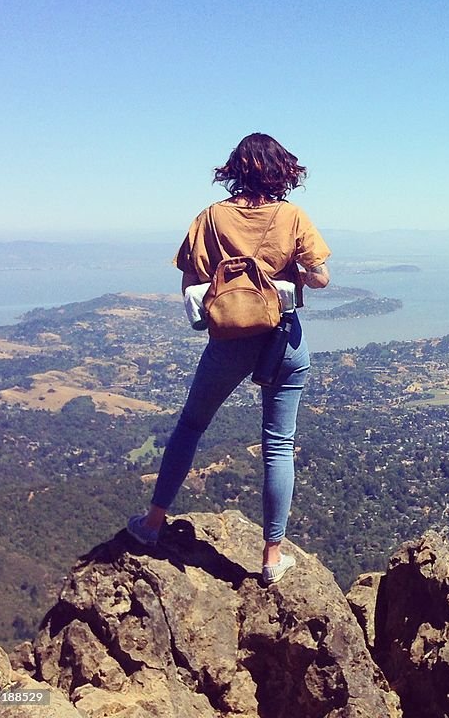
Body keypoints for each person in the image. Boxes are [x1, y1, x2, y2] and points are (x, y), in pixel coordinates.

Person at [127, 133, 330, 586]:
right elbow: (320, 278)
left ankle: (153, 524)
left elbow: (190, 279)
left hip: (229, 342)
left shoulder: (212, 217)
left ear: (235, 170)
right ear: (283, 171)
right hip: (284, 340)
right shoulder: (292, 216)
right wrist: (291, 272)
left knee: (191, 427)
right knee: (279, 445)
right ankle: (271, 557)